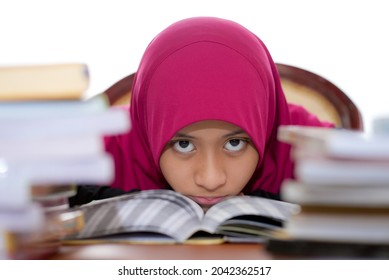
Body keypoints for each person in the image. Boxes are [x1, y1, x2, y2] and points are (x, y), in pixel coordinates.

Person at [69, 17, 333, 208]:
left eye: (234, 143)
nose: (210, 179)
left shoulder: (309, 147)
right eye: (183, 144)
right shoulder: (91, 151)